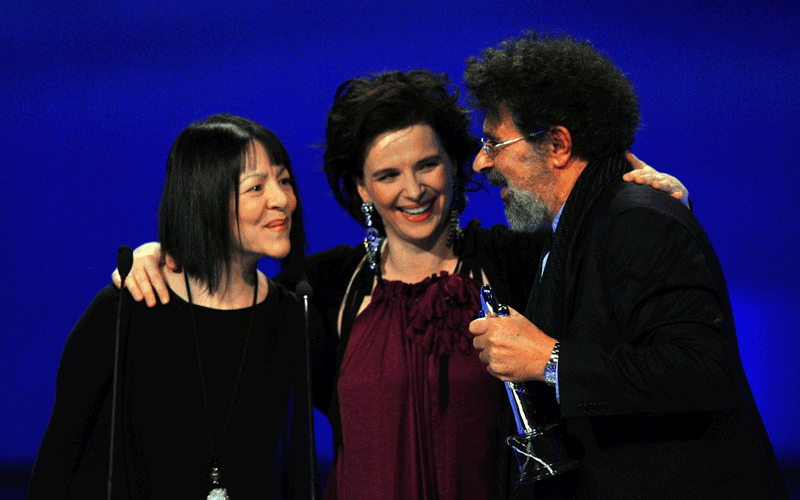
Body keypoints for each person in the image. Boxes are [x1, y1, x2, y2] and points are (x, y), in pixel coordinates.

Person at [112, 71, 689, 500]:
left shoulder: (517, 263)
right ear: (363, 189)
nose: (413, 190)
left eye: (427, 165)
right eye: (388, 174)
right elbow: (224, 313)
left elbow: (603, 247)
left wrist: (644, 200)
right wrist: (155, 255)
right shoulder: (322, 290)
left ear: (455, 166)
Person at [466, 32, 787, 499]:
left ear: (557, 145)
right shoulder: (578, 225)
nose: (481, 162)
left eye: (494, 143)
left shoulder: (635, 220)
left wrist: (550, 360)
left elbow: (700, 372)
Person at [28, 114, 316, 499]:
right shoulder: (127, 309)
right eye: (256, 187)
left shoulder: (291, 315)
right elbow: (59, 458)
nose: (281, 200)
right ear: (205, 198)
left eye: (284, 180)